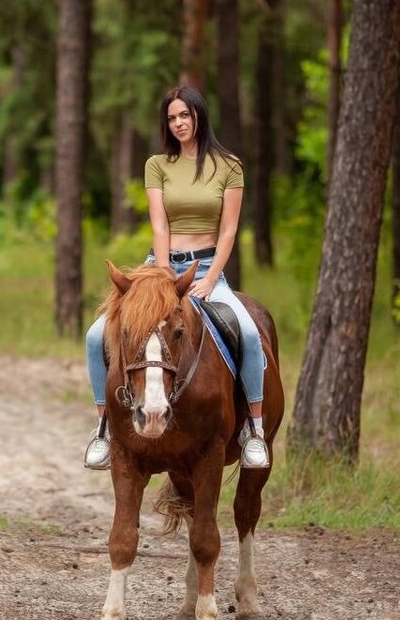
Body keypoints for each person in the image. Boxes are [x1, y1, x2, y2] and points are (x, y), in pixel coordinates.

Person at [83, 86, 270, 471]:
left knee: (249, 333)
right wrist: (165, 280)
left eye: (185, 115)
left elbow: (229, 231)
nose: (179, 123)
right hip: (161, 268)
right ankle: (103, 427)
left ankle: (255, 430)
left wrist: (211, 276)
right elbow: (160, 224)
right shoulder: (158, 165)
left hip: (207, 270)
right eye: (172, 118)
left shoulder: (229, 166)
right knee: (96, 335)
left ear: (199, 116)